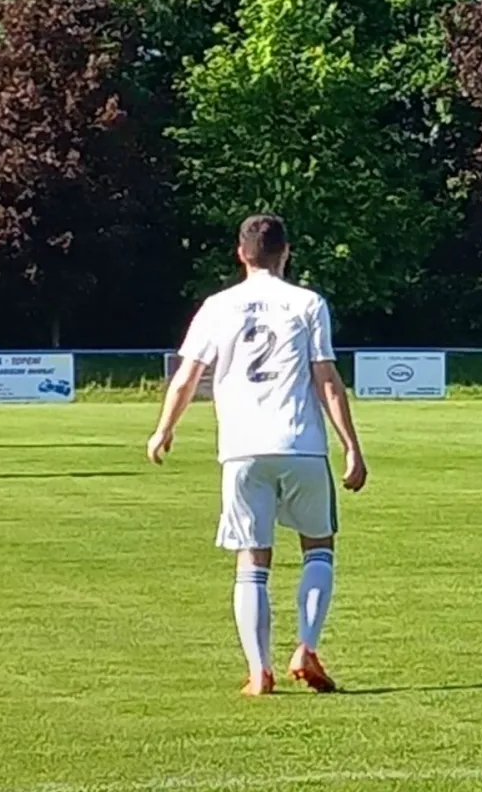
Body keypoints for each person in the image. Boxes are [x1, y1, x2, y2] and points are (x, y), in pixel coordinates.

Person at [146, 214, 368, 697]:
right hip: (301, 444)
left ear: (240, 253)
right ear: (285, 252)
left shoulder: (217, 306)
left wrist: (164, 429)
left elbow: (187, 377)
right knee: (319, 546)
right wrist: (351, 445)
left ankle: (258, 670)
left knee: (252, 560)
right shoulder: (307, 302)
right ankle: (306, 647)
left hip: (242, 449)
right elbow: (326, 378)